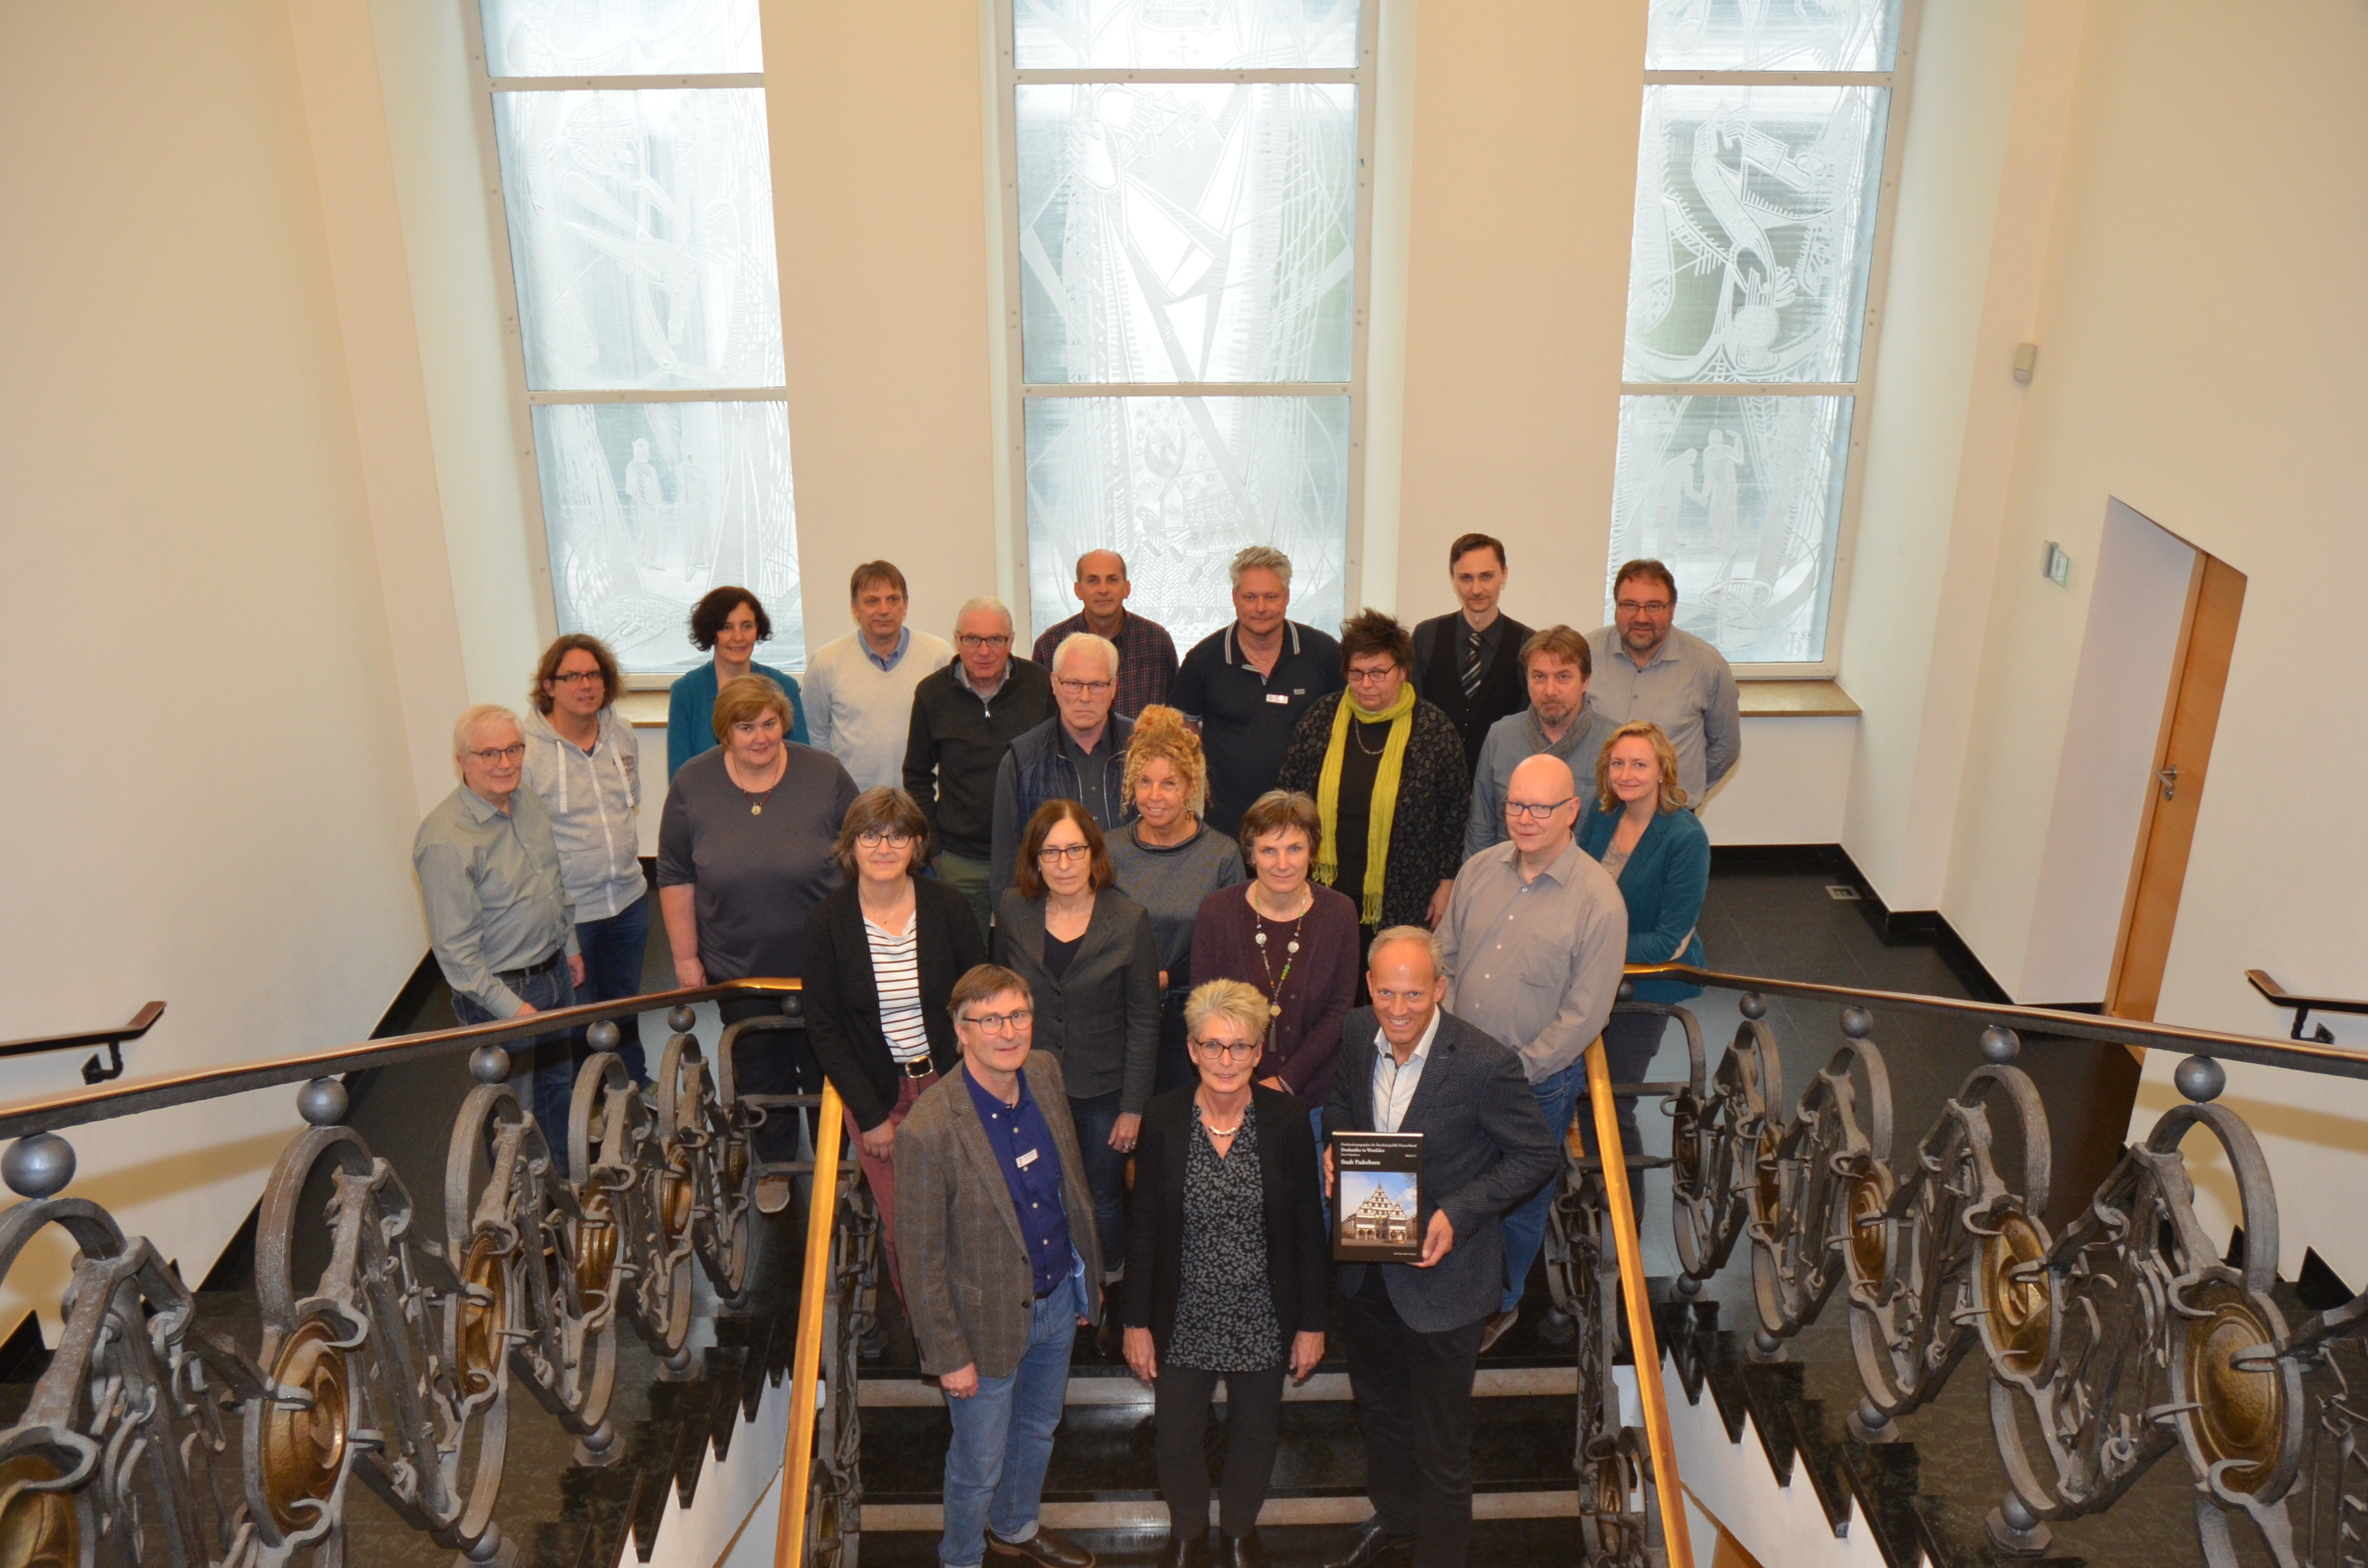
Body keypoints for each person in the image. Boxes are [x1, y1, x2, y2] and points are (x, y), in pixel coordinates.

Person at [1321, 928, 1558, 1568]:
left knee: (1442, 1443)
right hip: (1367, 1270)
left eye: (1415, 995)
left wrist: (1460, 1211)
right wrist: (1335, 1147)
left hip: (1446, 1282)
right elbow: (1343, 1101)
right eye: (1388, 994)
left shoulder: (1485, 1062)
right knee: (1381, 1413)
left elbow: (1538, 1153)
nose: (1399, 1010)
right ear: (1370, 987)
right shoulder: (1353, 1033)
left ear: (1441, 990)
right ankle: (1395, 1519)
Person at [895, 964, 1103, 1568]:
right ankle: (960, 1557)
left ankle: (1014, 1528)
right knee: (978, 1465)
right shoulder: (929, 1128)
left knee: (1038, 1431)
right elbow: (921, 1258)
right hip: (980, 1328)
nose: (1007, 1032)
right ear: (960, 1031)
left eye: (1017, 1016)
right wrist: (947, 1353)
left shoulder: (1043, 1073)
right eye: (989, 1020)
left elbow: (1072, 1188)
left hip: (1058, 1301)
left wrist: (1085, 1285)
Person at [1122, 980, 1328, 1568]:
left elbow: (1308, 1232)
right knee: (1177, 1435)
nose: (1227, 1060)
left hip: (1264, 1309)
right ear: (1191, 1050)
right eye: (1213, 1046)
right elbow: (1143, 1231)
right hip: (1181, 1309)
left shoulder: (1287, 1120)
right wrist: (1135, 1321)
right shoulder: (1162, 1118)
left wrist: (1313, 1323)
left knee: (1256, 1433)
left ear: (1259, 1052)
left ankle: (1239, 1534)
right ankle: (1187, 1533)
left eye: (1240, 1047)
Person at [1435, 755, 1627, 1351]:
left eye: (1541, 807)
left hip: (1533, 1086)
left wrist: (1514, 1072)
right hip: (1456, 1068)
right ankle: (1450, 1283)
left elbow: (1585, 1015)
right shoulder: (1478, 870)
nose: (1524, 818)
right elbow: (1444, 958)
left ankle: (1501, 1302)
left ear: (1572, 811)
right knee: (1456, 1184)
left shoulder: (1599, 902)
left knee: (1519, 1202)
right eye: (1516, 804)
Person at [657, 676, 860, 1167]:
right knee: (758, 1071)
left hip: (825, 963)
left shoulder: (825, 773)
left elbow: (864, 856)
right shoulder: (692, 783)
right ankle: (772, 1164)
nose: (761, 737)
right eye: (746, 727)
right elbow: (676, 874)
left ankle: (837, 1167)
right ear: (725, 731)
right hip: (740, 966)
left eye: (770, 724)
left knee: (830, 1068)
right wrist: (686, 959)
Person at [803, 787, 988, 1299]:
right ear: (850, 846)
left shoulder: (947, 907)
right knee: (908, 1227)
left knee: (965, 1211)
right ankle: (927, 1332)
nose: (884, 848)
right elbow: (825, 1030)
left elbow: (978, 1003)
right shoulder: (826, 923)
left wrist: (972, 1087)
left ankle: (971, 1313)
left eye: (898, 836)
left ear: (917, 845)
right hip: (877, 1095)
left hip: (949, 1084)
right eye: (870, 836)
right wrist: (870, 1116)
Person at [993, 802, 1161, 1287]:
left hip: (1104, 1093)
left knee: (1101, 1197)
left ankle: (1109, 1283)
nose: (1063, 864)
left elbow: (1146, 1020)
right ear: (1035, 859)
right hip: (1027, 1087)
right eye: (1051, 852)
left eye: (1074, 850)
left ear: (1094, 853)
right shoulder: (1013, 910)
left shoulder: (1129, 920)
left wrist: (1133, 1108)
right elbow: (997, 1000)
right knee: (1032, 1190)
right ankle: (1047, 1281)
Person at [415, 705, 584, 1141]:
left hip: (554, 973)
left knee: (557, 1092)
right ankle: (517, 1209)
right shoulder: (445, 841)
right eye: (490, 754)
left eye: (513, 749)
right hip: (502, 995)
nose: (505, 763)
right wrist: (515, 1011)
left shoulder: (527, 802)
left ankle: (561, 1193)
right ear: (463, 761)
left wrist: (570, 947)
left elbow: (553, 880)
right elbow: (456, 956)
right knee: (512, 1118)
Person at [1275, 610, 1469, 958]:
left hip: (1405, 894)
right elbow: (1288, 799)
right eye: (1357, 673)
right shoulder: (1321, 719)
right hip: (1322, 891)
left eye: (1379, 673)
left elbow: (1455, 817)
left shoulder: (1434, 730)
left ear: (1403, 671)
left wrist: (1447, 883)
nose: (1366, 684)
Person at [522, 634, 652, 1085]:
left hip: (630, 900)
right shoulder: (528, 751)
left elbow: (629, 801)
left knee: (626, 1005)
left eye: (594, 674)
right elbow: (527, 841)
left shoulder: (622, 734)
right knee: (580, 1017)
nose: (585, 684)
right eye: (572, 675)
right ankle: (590, 1104)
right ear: (550, 686)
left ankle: (633, 1084)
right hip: (573, 912)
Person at [1575, 722, 1710, 1155]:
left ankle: (1626, 1215)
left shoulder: (1686, 837)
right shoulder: (1601, 814)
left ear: (1662, 772)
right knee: (1577, 1092)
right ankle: (1588, 1198)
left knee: (1613, 1103)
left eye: (1639, 764)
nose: (1626, 773)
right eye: (1618, 763)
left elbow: (1671, 941)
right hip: (1590, 973)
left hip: (1645, 981)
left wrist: (1591, 951)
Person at [1188, 791, 1360, 1123]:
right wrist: (1240, 1082)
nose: (1282, 864)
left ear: (1312, 851)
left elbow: (1340, 1012)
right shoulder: (1216, 911)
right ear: (1251, 854)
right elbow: (1203, 1008)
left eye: (1294, 849)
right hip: (1230, 1094)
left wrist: (1285, 1082)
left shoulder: (1340, 913)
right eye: (1269, 850)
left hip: (1313, 1100)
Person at [1106, 708, 1246, 1097]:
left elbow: (1231, 950)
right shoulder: (1110, 849)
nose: (1154, 796)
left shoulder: (1222, 855)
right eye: (1145, 782)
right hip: (1121, 1016)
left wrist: (1170, 978)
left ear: (1190, 786)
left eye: (1168, 783)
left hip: (1193, 1018)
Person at [905, 597, 1057, 940]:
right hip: (959, 860)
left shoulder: (1040, 686)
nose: (984, 651)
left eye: (996, 640)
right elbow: (916, 775)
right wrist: (935, 848)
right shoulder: (932, 694)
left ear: (1012, 642)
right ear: (958, 640)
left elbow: (1055, 765)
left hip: (1027, 857)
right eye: (973, 639)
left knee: (1027, 956)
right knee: (964, 962)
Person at [1169, 546, 1345, 838]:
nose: (1261, 607)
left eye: (1271, 597)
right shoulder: (1203, 659)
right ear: (1235, 598)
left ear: (1287, 598)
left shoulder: (1324, 653)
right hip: (1227, 826)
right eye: (1250, 597)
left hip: (1307, 822)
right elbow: (1184, 730)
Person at [989, 632, 1136, 902]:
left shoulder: (1144, 751)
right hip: (1050, 920)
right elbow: (1006, 870)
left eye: (1097, 684)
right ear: (1054, 684)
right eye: (1073, 683)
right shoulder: (1021, 761)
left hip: (1134, 913)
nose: (1085, 696)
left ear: (1115, 687)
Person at [1586, 559, 1741, 808]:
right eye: (1630, 605)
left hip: (1670, 815)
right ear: (1616, 607)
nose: (1641, 617)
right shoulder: (1585, 656)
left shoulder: (1707, 666)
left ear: (1672, 608)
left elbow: (1725, 748)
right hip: (1600, 810)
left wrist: (1681, 790)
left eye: (1654, 606)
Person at [1463, 626, 1619, 860]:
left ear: (1585, 681)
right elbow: (1480, 829)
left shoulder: (1614, 744)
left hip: (1581, 886)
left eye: (1563, 677)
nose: (1550, 690)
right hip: (1506, 879)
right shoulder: (1501, 736)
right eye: (1539, 677)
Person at [802, 560, 954, 791]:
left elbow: (950, 731)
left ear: (905, 606)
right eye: (872, 601)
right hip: (853, 803)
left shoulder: (938, 655)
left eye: (893, 599)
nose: (884, 610)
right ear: (855, 609)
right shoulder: (826, 662)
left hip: (921, 801)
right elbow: (815, 734)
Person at [1408, 534, 1533, 776]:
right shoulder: (1426, 636)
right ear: (1453, 578)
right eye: (1466, 578)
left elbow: (1526, 722)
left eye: (1486, 576)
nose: (1476, 589)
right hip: (1432, 779)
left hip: (1500, 780)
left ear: (1504, 575)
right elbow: (1413, 710)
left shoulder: (1528, 643)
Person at [666, 586, 809, 778]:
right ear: (711, 632)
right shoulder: (686, 692)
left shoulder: (784, 687)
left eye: (747, 626)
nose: (739, 637)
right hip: (708, 804)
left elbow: (801, 765)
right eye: (726, 627)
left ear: (758, 628)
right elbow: (680, 776)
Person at [1030, 549, 1180, 718]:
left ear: (1127, 588)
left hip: (1142, 745)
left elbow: (1175, 716)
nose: (1103, 589)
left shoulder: (1157, 643)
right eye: (1093, 581)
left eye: (1112, 580)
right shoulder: (1050, 645)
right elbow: (1041, 718)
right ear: (1078, 590)